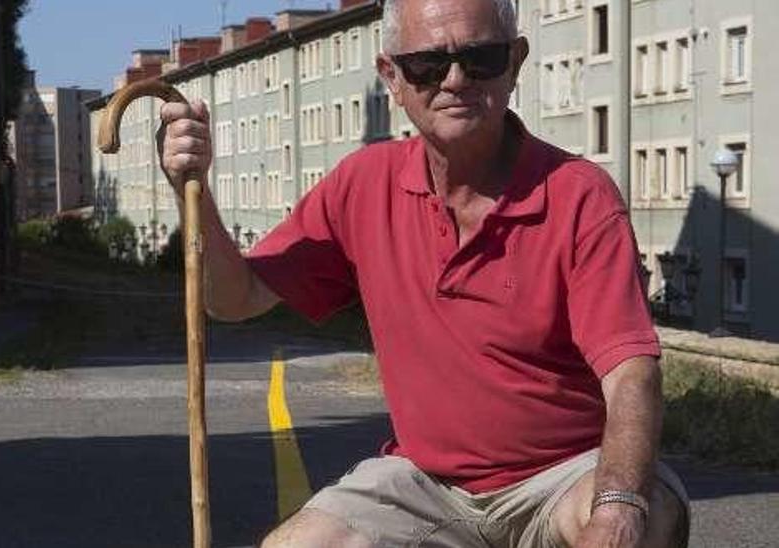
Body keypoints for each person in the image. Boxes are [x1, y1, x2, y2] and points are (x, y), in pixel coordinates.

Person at [157, 0, 689, 546]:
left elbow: (630, 374)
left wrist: (619, 505)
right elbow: (236, 298)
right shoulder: (362, 184)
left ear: (515, 62)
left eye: (480, 57)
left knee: (640, 521)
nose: (455, 79)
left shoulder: (579, 195)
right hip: (429, 484)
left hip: (563, 476)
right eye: (428, 64)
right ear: (392, 75)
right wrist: (191, 191)